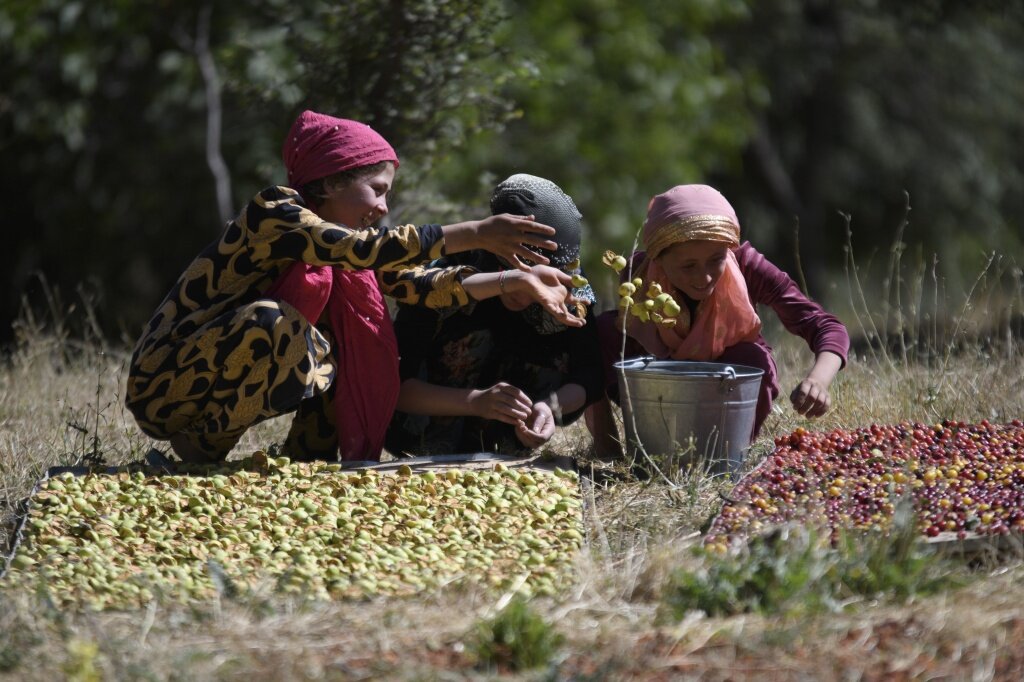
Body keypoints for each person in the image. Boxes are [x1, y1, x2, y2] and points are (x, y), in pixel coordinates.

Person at [125, 110, 581, 464]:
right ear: (329, 181)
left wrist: (512, 280)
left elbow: (420, 282)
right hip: (165, 389)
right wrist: (476, 233)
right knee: (275, 323)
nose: (383, 208)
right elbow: (358, 249)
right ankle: (198, 449)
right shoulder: (274, 212)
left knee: (336, 345)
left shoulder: (345, 256)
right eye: (376, 190)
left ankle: (307, 464)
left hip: (210, 389)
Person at [588, 183, 850, 456]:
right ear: (659, 259)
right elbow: (601, 345)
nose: (705, 278)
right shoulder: (640, 276)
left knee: (754, 359)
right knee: (600, 332)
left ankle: (728, 452)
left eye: (716, 260)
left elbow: (824, 325)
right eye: (688, 266)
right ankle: (607, 448)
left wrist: (818, 381)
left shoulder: (748, 266)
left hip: (725, 384)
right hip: (658, 387)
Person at [381, 174, 605, 455]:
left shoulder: (567, 282)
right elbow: (395, 385)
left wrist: (548, 407)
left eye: (538, 283)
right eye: (520, 278)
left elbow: (590, 372)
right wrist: (475, 402)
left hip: (509, 434)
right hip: (425, 434)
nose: (527, 293)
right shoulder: (445, 277)